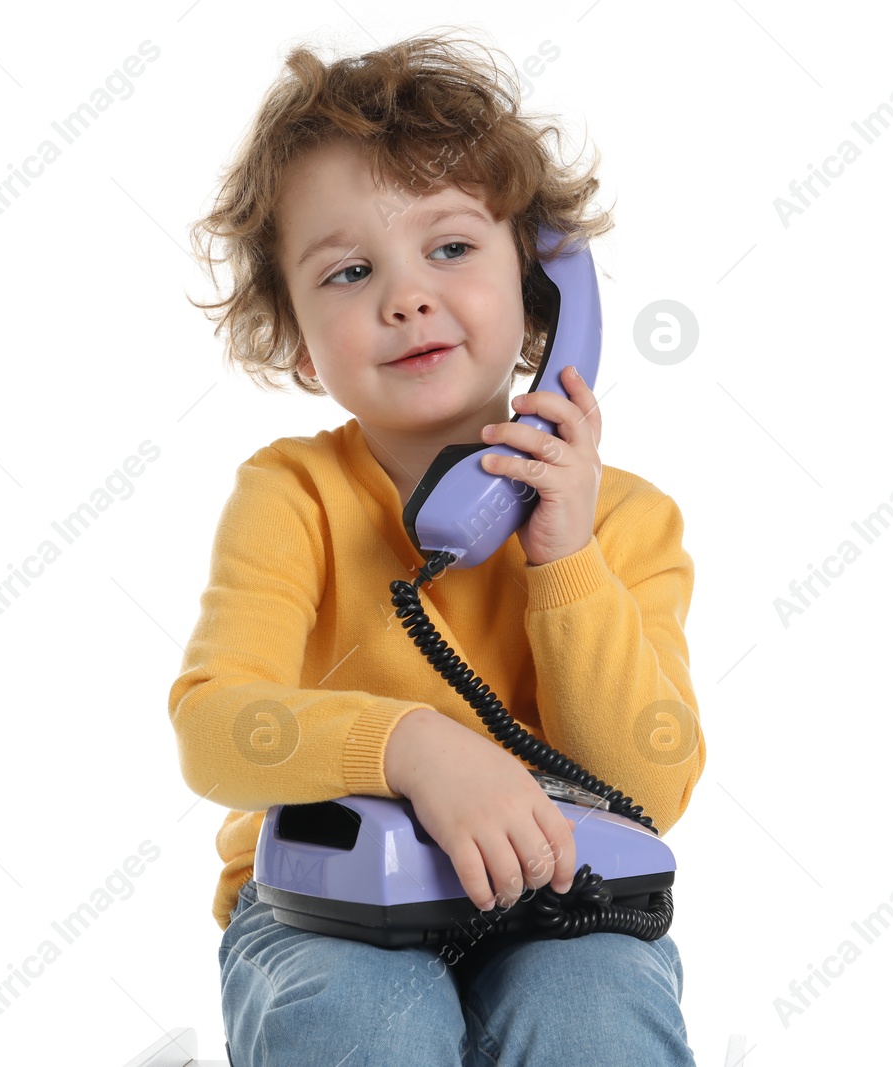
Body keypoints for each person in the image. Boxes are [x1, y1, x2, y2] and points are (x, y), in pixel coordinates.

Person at [169, 28, 704, 1067]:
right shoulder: (294, 495)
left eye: (451, 247)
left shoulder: (628, 522)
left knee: (592, 1013)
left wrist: (563, 561)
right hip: (327, 906)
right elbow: (216, 730)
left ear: (545, 285)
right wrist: (409, 747)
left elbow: (651, 786)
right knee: (375, 1021)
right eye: (351, 269)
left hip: (557, 894)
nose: (406, 295)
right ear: (293, 335)